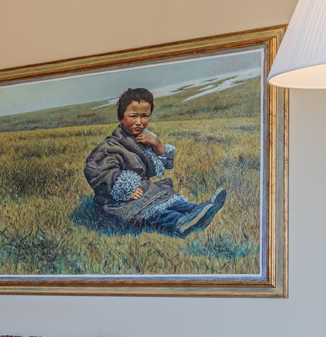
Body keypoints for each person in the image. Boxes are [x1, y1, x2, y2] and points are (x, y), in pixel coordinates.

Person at [82, 88, 226, 235]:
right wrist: (126, 189)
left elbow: (165, 165)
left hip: (143, 190)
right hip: (116, 202)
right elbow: (96, 170)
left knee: (167, 198)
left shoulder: (144, 138)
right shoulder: (111, 146)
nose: (139, 122)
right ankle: (180, 222)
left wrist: (157, 145)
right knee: (153, 212)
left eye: (145, 116)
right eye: (133, 116)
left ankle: (199, 210)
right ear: (121, 117)